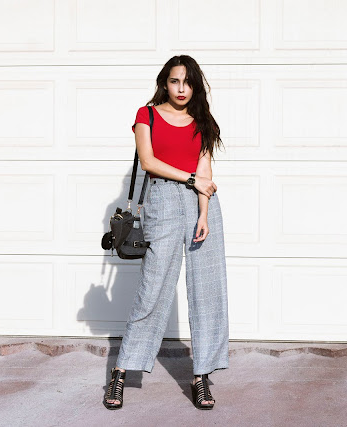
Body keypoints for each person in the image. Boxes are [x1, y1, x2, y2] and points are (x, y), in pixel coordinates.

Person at [103, 55, 229, 411]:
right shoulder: (148, 115)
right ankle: (120, 372)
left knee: (208, 290)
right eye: (175, 81)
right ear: (165, 82)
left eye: (187, 82)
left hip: (201, 204)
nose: (181, 89)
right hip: (163, 200)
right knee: (153, 290)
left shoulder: (202, 121)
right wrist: (190, 179)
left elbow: (204, 171)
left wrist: (204, 214)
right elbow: (148, 162)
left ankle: (201, 376)